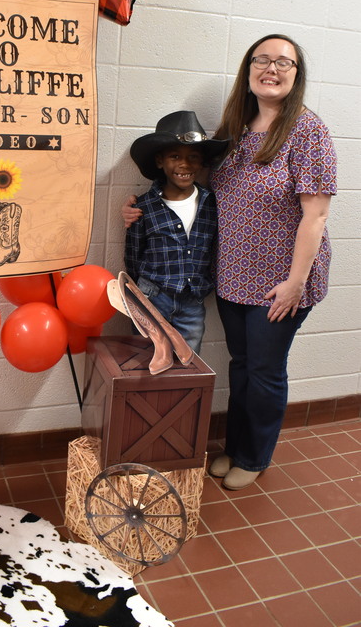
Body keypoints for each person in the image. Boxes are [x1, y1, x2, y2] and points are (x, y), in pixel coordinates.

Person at [122, 35, 337, 490]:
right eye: (263, 60)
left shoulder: (307, 130)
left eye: (284, 63)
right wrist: (140, 209)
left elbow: (316, 215)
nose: (272, 69)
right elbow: (197, 192)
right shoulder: (235, 128)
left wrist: (296, 283)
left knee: (263, 368)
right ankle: (234, 448)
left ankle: (255, 456)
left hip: (282, 281)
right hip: (234, 277)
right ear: (249, 69)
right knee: (241, 363)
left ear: (296, 76)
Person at [124, 110, 230, 357]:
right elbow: (133, 257)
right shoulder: (143, 207)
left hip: (192, 302)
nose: (185, 164)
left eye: (193, 156)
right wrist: (144, 290)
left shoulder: (212, 204)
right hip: (151, 299)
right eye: (175, 156)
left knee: (188, 362)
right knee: (146, 360)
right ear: (160, 161)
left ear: (202, 162)